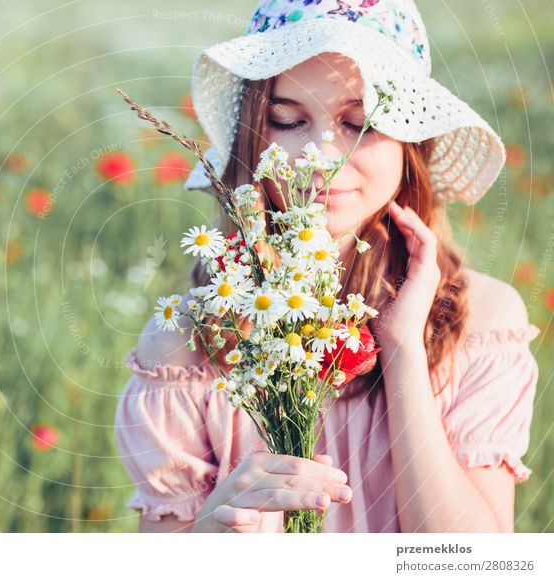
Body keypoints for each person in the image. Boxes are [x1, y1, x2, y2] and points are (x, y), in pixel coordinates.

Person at [114, 0, 540, 533]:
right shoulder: (191, 340)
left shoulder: (481, 321)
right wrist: (213, 532)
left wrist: (403, 347)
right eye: (288, 120)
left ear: (411, 144)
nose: (322, 152)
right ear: (254, 135)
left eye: (359, 122)